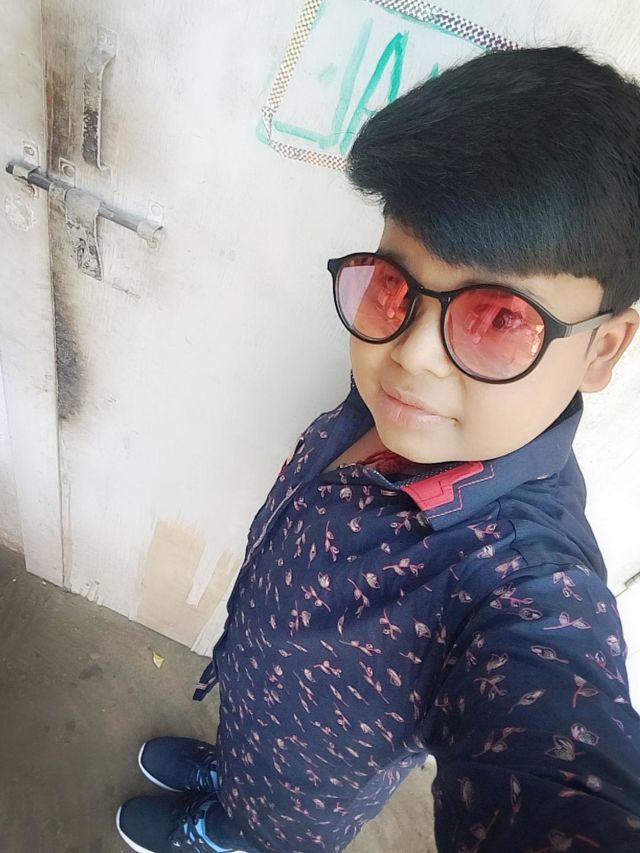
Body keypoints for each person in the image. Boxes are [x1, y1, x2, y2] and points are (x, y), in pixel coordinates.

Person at [115, 45, 640, 853]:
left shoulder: (520, 585)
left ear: (603, 348)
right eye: (394, 285)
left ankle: (231, 833)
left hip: (306, 795)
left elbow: (559, 759)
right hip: (255, 702)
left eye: (499, 319)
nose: (411, 354)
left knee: (265, 826)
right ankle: (231, 777)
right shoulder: (402, 401)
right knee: (245, 756)